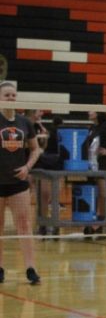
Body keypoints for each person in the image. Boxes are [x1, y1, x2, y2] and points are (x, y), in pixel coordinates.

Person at [0, 81, 41, 284]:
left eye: (13, 96)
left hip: (18, 184)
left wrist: (27, 167)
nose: (11, 99)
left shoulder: (25, 122)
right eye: (7, 95)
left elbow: (35, 149)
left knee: (24, 226)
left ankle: (31, 268)